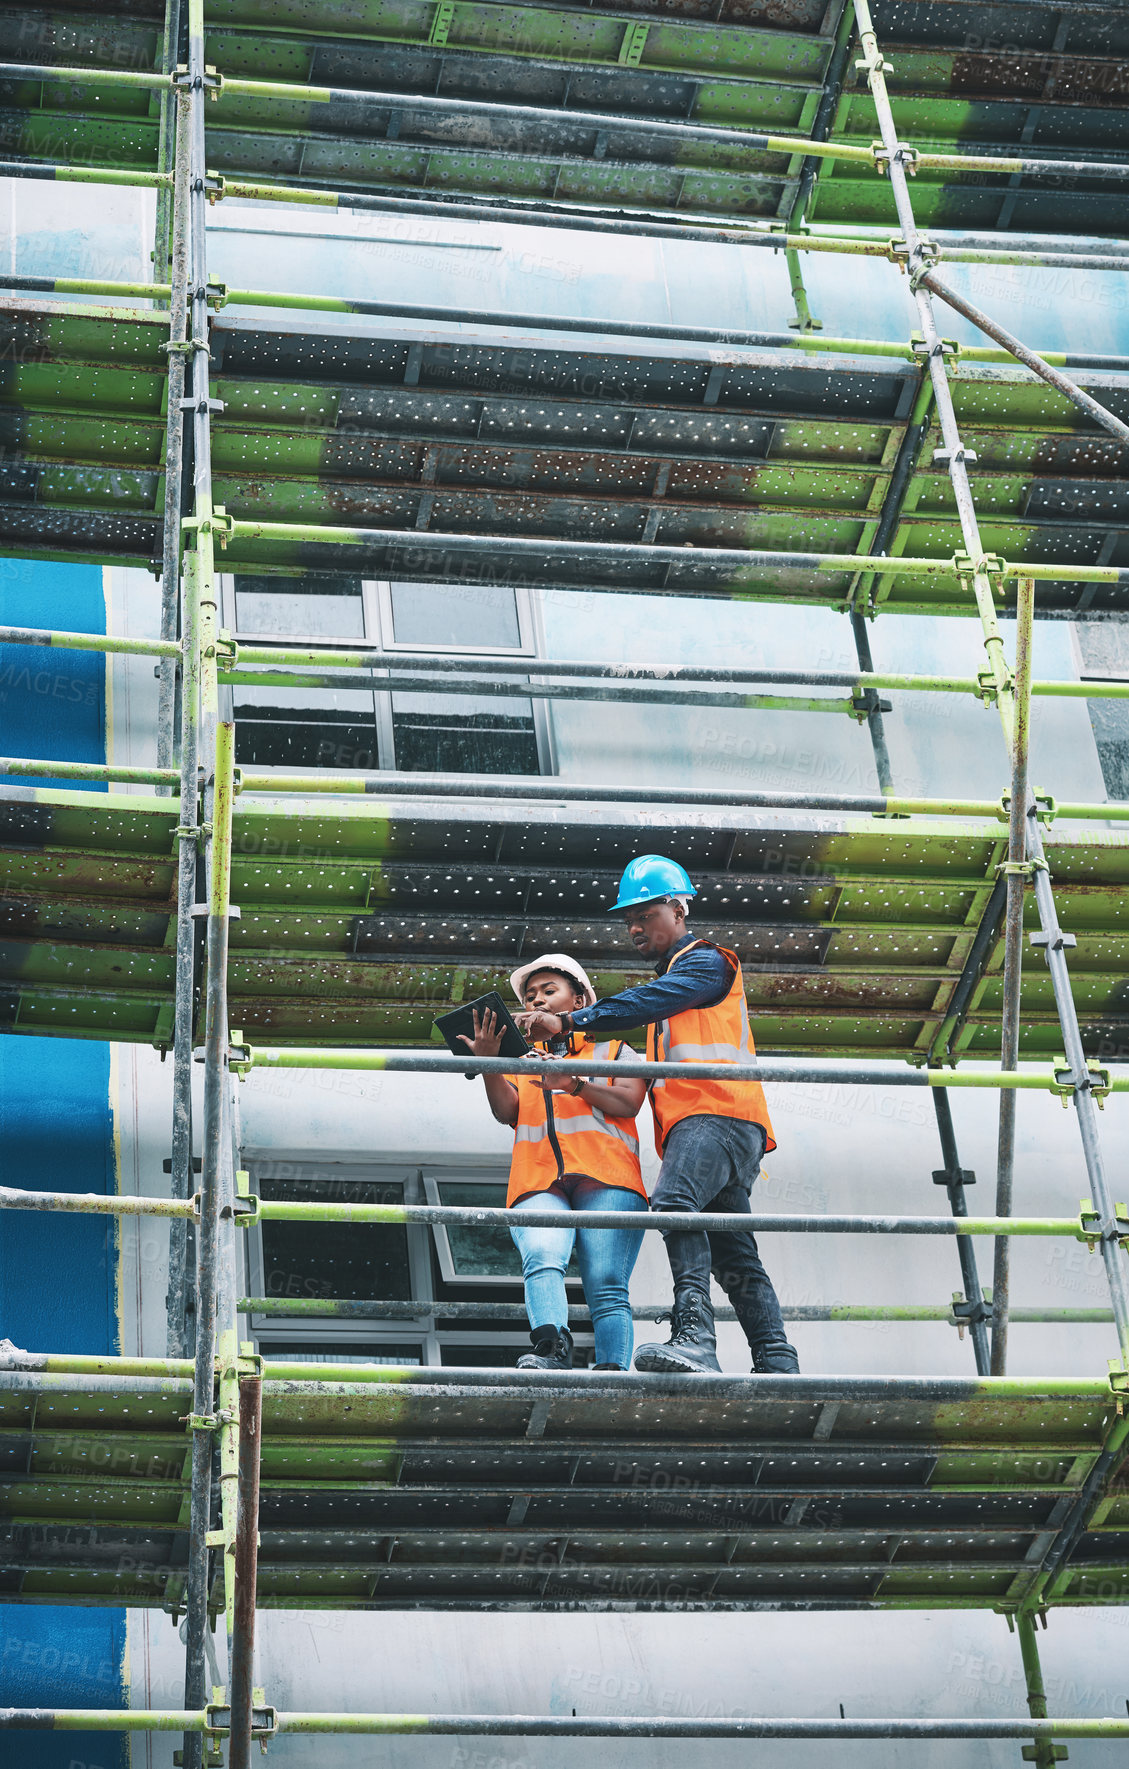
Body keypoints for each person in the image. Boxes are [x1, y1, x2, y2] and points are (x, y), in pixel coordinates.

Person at [516, 856, 799, 1377]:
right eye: (629, 920)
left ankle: (693, 1337)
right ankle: (777, 1357)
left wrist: (569, 1021)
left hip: (714, 1115)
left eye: (645, 915)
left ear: (678, 908)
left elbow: (650, 1000)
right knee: (733, 1254)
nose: (634, 928)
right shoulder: (672, 990)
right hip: (722, 1127)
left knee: (673, 1202)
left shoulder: (707, 963)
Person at [459, 953, 648, 1372]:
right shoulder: (522, 1061)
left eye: (549, 991)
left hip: (609, 1179)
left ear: (579, 1002)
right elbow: (506, 1111)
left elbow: (630, 1102)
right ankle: (551, 1350)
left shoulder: (616, 1049)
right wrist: (490, 1062)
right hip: (538, 1180)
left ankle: (613, 1371)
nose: (538, 1001)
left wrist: (573, 1083)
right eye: (531, 996)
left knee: (606, 1283)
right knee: (542, 1256)